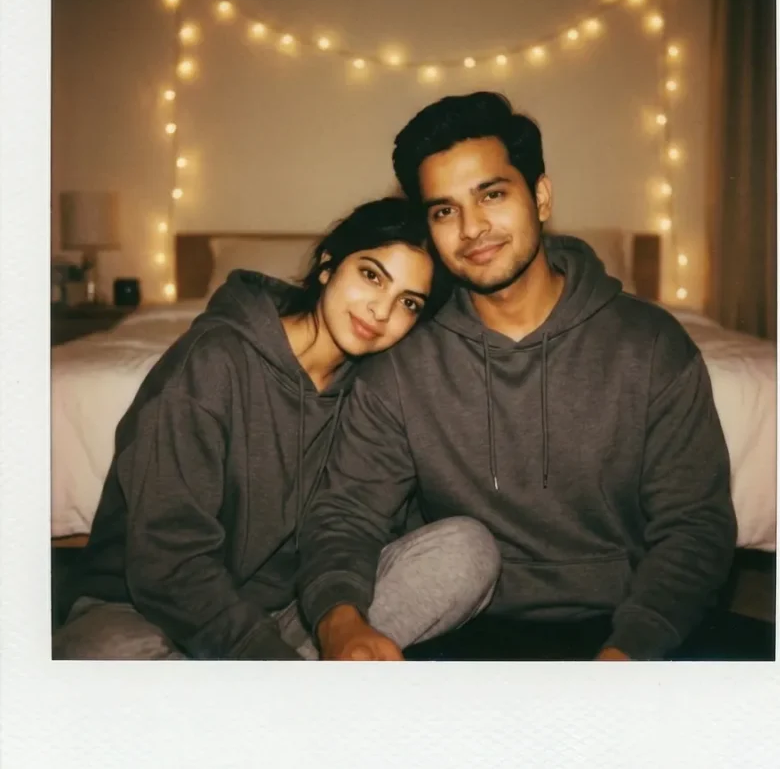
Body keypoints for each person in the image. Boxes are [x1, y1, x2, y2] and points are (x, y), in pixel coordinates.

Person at [296, 92, 738, 662]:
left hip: (624, 627)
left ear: (541, 197)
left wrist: (629, 652)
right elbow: (346, 515)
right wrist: (339, 625)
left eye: (492, 195)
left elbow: (694, 527)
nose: (473, 228)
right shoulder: (402, 362)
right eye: (445, 211)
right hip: (463, 624)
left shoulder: (650, 345)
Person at [53, 196, 501, 661]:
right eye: (371, 275)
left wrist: (335, 623)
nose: (380, 311)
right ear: (328, 266)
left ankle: (275, 688)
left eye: (408, 302)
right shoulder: (213, 362)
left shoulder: (379, 387)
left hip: (296, 613)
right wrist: (271, 664)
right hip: (149, 609)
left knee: (467, 548)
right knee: (101, 653)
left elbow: (360, 525)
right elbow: (168, 563)